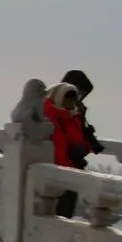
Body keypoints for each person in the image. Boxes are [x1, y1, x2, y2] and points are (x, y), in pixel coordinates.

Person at [46, 71, 104, 213]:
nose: (78, 98)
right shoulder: (50, 112)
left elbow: (78, 138)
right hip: (56, 170)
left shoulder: (75, 112)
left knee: (65, 213)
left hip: (70, 168)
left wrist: (86, 145)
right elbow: (59, 142)